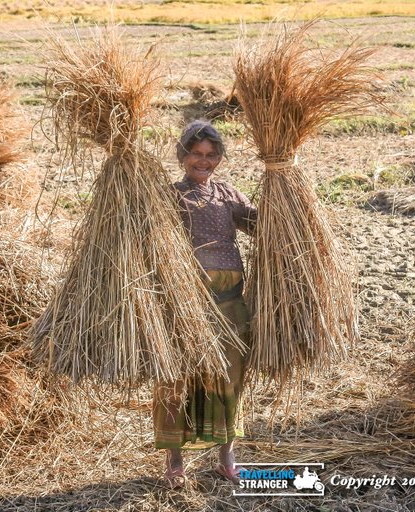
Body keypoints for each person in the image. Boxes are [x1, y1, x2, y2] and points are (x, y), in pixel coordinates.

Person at [153, 120, 257, 489]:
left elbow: (260, 225)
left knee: (231, 377)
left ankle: (226, 457)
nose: (204, 161)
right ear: (183, 156)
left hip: (230, 303)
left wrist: (282, 193)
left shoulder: (227, 194)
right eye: (196, 154)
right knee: (177, 379)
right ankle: (175, 460)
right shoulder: (169, 196)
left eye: (211, 155)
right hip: (186, 305)